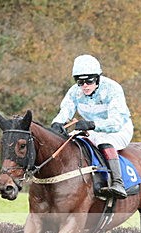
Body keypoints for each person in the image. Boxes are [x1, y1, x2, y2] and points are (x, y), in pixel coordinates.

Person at [50, 54, 131, 199]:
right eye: (80, 82)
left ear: (98, 78)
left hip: (119, 129)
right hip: (91, 130)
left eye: (89, 81)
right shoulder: (75, 91)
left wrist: (92, 124)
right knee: (71, 140)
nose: (84, 86)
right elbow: (65, 111)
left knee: (103, 141)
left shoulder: (113, 89)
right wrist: (56, 123)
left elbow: (116, 122)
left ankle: (118, 183)